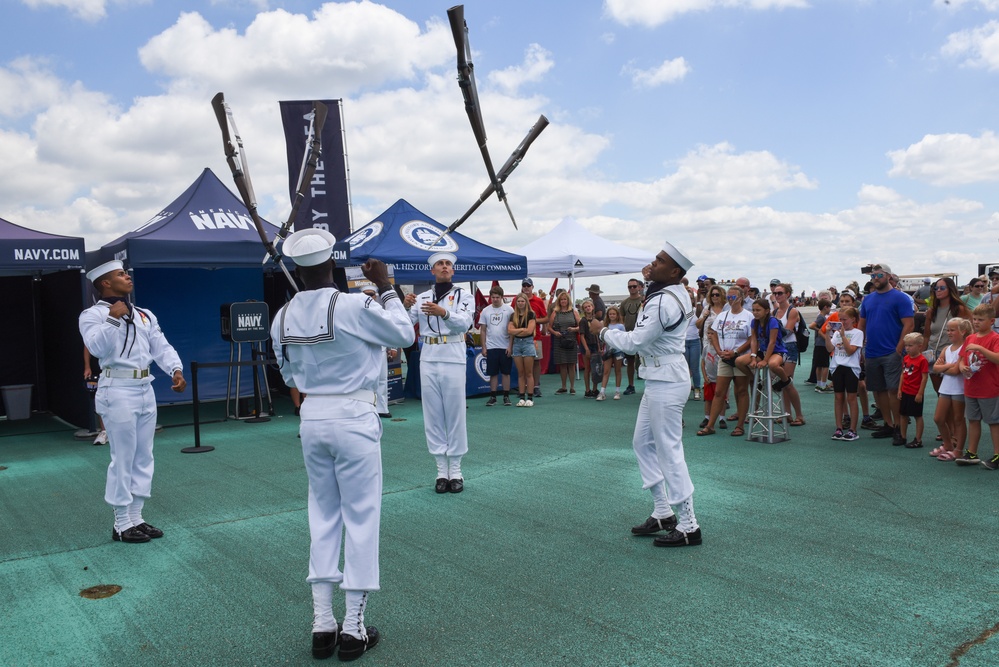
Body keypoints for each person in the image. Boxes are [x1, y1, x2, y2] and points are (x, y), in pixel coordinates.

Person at [271, 229, 413, 661]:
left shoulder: (281, 316)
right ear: (332, 263)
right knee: (362, 517)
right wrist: (387, 287)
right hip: (354, 415)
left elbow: (289, 376)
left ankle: (321, 623)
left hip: (312, 417)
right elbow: (404, 335)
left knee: (323, 515)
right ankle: (352, 627)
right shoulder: (356, 303)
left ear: (297, 268)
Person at [591, 242, 702, 547]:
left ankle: (690, 525)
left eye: (659, 260)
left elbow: (635, 341)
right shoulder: (667, 292)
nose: (653, 263)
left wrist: (602, 331)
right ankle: (664, 511)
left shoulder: (663, 300)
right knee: (642, 443)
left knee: (668, 449)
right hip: (658, 377)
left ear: (675, 271)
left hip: (666, 379)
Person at [78, 260, 186, 544]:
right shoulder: (92, 315)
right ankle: (121, 523)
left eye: (126, 273)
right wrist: (113, 319)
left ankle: (136, 516)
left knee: (143, 455)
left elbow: (160, 346)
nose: (127, 277)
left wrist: (175, 369)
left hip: (144, 386)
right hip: (117, 388)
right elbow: (98, 348)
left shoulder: (143, 314)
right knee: (123, 457)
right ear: (105, 283)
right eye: (120, 274)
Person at [404, 252, 474, 493]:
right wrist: (404, 307)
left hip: (453, 353)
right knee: (432, 414)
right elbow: (403, 325)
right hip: (429, 356)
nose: (444, 267)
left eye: (448, 264)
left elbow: (465, 323)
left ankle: (456, 470)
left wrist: (443, 312)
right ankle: (440, 471)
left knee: (454, 413)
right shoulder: (422, 297)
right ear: (432, 271)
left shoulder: (464, 295)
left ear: (452, 271)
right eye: (440, 264)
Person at [858, 263, 915, 447]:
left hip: (892, 352)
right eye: (873, 276)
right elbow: (862, 325)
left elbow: (909, 324)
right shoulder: (867, 300)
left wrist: (899, 347)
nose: (875, 278)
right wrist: (860, 348)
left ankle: (899, 427)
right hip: (872, 352)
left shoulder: (901, 298)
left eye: (879, 275)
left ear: (888, 276)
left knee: (893, 390)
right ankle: (889, 424)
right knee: (878, 389)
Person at [700, 286, 753, 437]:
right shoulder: (722, 316)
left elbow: (751, 339)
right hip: (724, 358)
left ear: (741, 298)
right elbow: (714, 334)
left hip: (739, 358)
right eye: (728, 297)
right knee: (719, 392)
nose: (730, 300)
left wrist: (736, 352)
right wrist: (718, 351)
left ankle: (740, 425)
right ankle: (710, 425)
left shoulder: (748, 316)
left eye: (733, 297)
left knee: (741, 391)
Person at [956, 303, 999, 470]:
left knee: (994, 422)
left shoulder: (995, 338)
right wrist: (961, 367)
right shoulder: (969, 338)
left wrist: (980, 347)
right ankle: (972, 452)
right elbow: (961, 359)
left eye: (981, 320)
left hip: (989, 388)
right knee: (973, 420)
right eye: (974, 319)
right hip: (971, 387)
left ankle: (997, 454)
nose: (976, 322)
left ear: (991, 321)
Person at [930, 318, 970, 461]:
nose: (949, 332)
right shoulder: (947, 349)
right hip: (946, 387)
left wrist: (945, 367)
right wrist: (948, 366)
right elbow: (935, 368)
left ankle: (958, 450)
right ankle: (948, 445)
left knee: (959, 419)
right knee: (938, 418)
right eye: (948, 330)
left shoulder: (965, 348)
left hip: (959, 388)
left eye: (952, 330)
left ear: (963, 331)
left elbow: (956, 371)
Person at [825, 307, 864, 441]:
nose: (842, 322)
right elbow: (830, 348)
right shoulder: (836, 333)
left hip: (851, 368)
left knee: (851, 398)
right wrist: (827, 334)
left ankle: (853, 429)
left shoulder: (858, 333)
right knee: (838, 397)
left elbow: (850, 351)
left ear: (853, 319)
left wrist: (842, 335)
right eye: (840, 319)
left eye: (844, 319)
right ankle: (839, 427)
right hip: (837, 366)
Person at [735, 298, 790, 390]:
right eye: (753, 310)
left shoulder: (772, 321)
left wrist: (765, 360)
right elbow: (754, 340)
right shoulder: (754, 322)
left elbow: (772, 342)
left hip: (777, 351)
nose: (755, 312)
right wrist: (753, 357)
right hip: (763, 351)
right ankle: (754, 379)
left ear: (767, 311)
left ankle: (785, 380)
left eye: (758, 310)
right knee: (739, 361)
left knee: (772, 364)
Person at [772, 283, 806, 426]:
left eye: (780, 293)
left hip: (790, 346)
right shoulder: (774, 312)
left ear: (787, 294)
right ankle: (787, 414)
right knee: (783, 382)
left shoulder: (792, 311)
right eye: (775, 293)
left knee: (787, 381)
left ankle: (799, 415)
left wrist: (774, 330)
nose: (777, 296)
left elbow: (788, 331)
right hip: (778, 347)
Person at [697, 285, 726, 429]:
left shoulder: (727, 309)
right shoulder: (707, 309)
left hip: (722, 347)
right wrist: (704, 317)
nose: (715, 297)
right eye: (713, 295)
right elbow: (697, 325)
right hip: (708, 345)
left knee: (721, 385)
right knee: (709, 380)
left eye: (717, 295)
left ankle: (721, 416)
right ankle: (708, 416)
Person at [479, 285, 514, 406]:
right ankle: (493, 396)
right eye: (493, 297)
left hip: (505, 346)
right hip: (491, 346)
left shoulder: (510, 310)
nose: (495, 299)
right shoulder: (486, 311)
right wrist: (483, 346)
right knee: (492, 373)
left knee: (506, 373)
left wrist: (510, 346)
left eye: (497, 297)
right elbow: (483, 330)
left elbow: (512, 330)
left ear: (502, 297)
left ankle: (506, 396)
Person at [897, 333, 930, 448]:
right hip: (905, 391)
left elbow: (924, 377)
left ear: (919, 346)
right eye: (906, 345)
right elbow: (902, 374)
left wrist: (920, 393)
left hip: (915, 392)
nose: (907, 348)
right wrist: (900, 389)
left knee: (917, 415)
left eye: (910, 345)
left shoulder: (922, 360)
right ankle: (903, 436)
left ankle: (918, 439)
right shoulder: (906, 358)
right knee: (903, 414)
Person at [519, 279, 549, 398]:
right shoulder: (517, 299)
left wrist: (533, 321)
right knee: (522, 363)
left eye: (528, 285)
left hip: (534, 337)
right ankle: (523, 387)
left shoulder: (538, 301)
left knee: (536, 362)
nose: (526, 288)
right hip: (520, 337)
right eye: (524, 285)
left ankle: (536, 386)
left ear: (532, 287)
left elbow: (546, 318)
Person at [549, 291, 581, 395]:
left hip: (571, 340)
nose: (563, 301)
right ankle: (563, 386)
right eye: (561, 299)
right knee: (562, 364)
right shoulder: (555, 312)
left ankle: (572, 387)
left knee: (571, 364)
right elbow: (549, 327)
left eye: (565, 299)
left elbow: (581, 326)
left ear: (568, 301)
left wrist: (574, 329)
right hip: (559, 340)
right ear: (559, 301)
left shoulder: (573, 312)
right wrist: (555, 332)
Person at [508, 293, 538, 407]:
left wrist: (517, 330)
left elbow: (529, 331)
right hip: (516, 344)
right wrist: (521, 329)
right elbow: (510, 331)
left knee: (528, 372)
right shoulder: (513, 315)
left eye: (522, 301)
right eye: (518, 301)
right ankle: (521, 397)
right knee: (520, 373)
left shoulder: (531, 314)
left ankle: (530, 397)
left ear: (526, 302)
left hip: (528, 343)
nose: (520, 303)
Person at [620, 278, 645, 395]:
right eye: (630, 287)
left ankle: (648, 386)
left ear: (639, 287)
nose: (632, 289)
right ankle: (631, 385)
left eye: (634, 286)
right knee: (630, 361)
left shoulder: (644, 301)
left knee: (645, 360)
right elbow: (621, 318)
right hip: (629, 335)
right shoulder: (625, 302)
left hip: (643, 335)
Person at [597, 306, 626, 401]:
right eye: (610, 314)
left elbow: (624, 338)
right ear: (608, 315)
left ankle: (617, 392)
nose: (612, 315)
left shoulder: (621, 326)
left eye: (614, 314)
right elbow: (601, 338)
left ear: (617, 315)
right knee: (606, 371)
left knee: (618, 371)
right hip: (608, 352)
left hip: (618, 352)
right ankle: (602, 392)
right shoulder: (605, 326)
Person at [83, 344, 107, 445]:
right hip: (96, 369)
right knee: (100, 399)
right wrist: (87, 366)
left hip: (114, 368)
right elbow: (87, 346)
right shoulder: (93, 329)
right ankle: (104, 432)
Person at [578, 299, 601, 398]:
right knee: (587, 368)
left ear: (592, 307)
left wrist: (599, 347)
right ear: (583, 309)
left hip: (595, 345)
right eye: (585, 307)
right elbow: (582, 336)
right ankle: (587, 390)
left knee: (595, 368)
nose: (588, 308)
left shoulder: (595, 320)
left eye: (589, 306)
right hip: (586, 345)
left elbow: (597, 335)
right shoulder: (582, 321)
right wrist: (586, 349)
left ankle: (595, 389)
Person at [809, 298, 833, 392]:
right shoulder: (821, 317)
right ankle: (823, 385)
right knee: (825, 365)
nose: (830, 310)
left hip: (818, 344)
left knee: (818, 365)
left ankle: (819, 384)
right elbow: (811, 326)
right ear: (825, 307)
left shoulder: (821, 316)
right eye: (829, 308)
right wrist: (820, 330)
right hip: (823, 344)